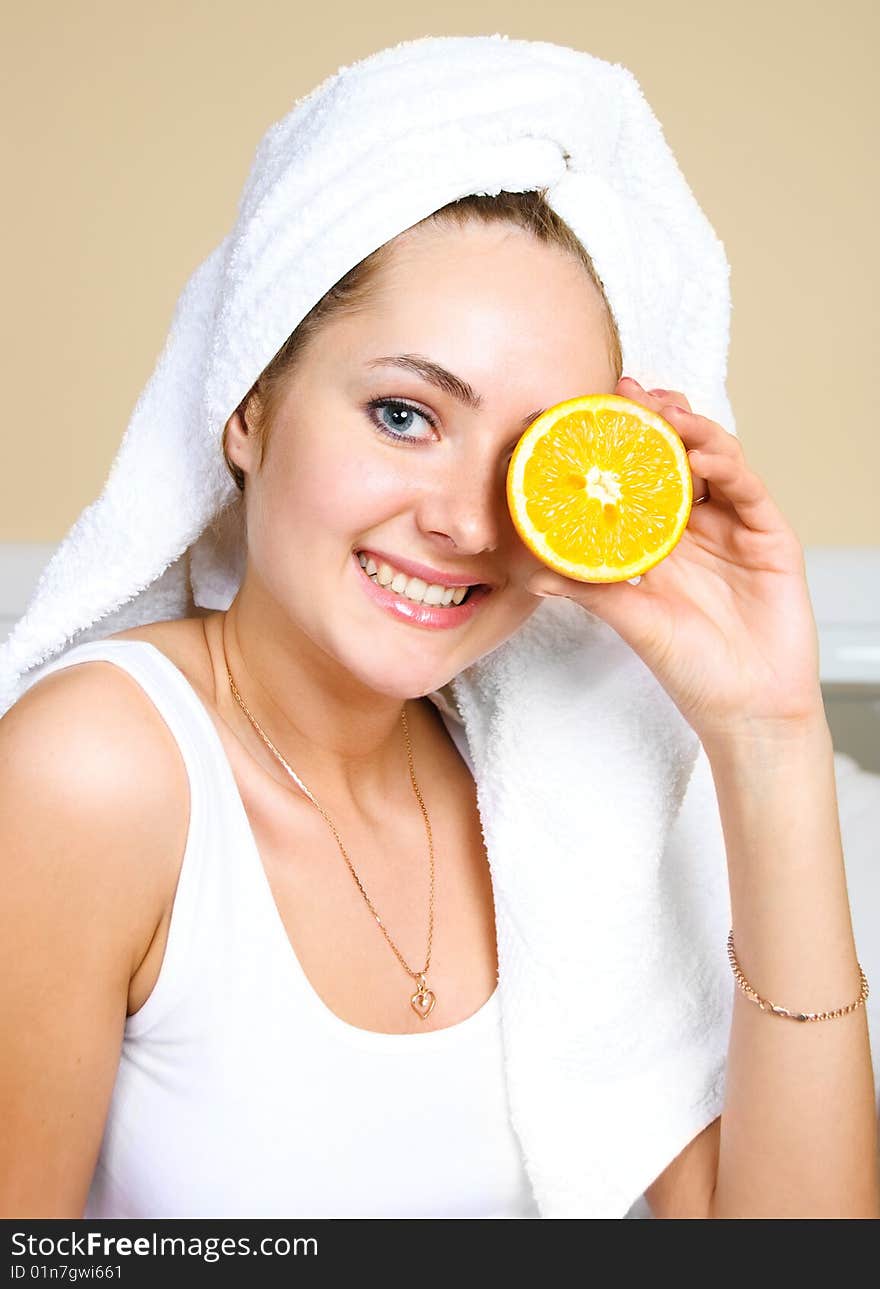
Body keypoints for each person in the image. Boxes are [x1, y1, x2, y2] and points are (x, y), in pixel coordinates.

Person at [1, 35, 877, 1221]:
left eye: (528, 457)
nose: (467, 521)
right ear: (249, 406)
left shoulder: (554, 810)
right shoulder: (95, 772)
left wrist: (769, 730)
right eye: (404, 413)